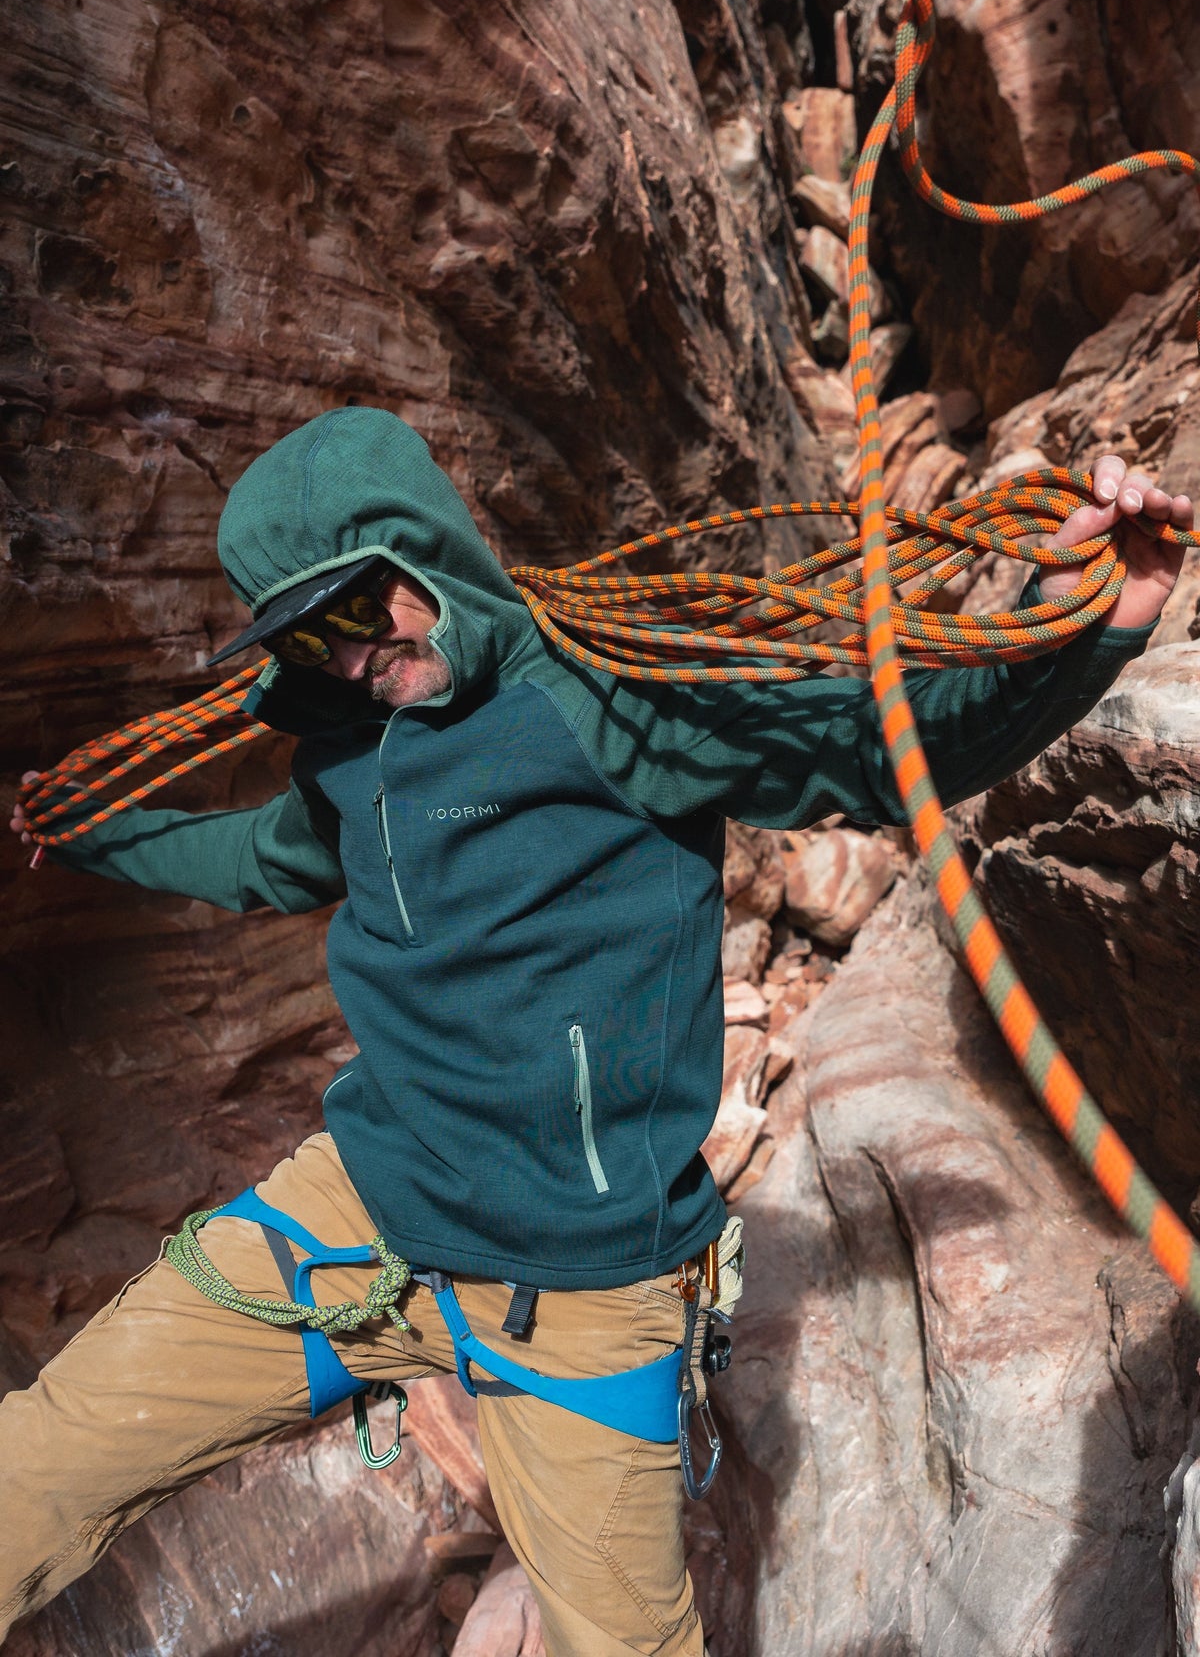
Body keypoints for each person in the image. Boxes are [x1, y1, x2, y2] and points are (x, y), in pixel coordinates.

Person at [2, 407, 1192, 1655]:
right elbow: (266, 860)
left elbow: (884, 748)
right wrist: (97, 836)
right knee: (41, 1459)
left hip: (578, 1289)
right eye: (305, 637)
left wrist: (1085, 621)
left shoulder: (617, 697)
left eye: (357, 610)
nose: (347, 659)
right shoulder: (348, 742)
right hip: (359, 1209)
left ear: (423, 549)